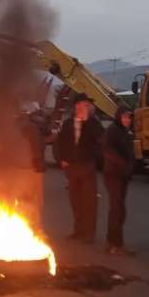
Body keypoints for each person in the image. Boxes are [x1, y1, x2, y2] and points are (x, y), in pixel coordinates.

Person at [53, 93, 105, 243]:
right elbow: (61, 141)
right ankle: (78, 230)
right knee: (75, 201)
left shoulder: (93, 123)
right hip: (72, 167)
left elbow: (101, 138)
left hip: (87, 166)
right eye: (84, 104)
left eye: (88, 105)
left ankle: (89, 234)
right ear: (77, 106)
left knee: (89, 202)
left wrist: (87, 121)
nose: (87, 107)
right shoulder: (68, 123)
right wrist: (62, 159)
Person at [102, 106, 137, 255]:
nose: (127, 120)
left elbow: (129, 152)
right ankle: (114, 244)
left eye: (129, 118)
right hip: (113, 175)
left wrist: (130, 166)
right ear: (118, 117)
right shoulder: (113, 131)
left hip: (122, 175)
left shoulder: (125, 132)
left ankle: (115, 242)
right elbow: (108, 150)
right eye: (124, 117)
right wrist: (123, 163)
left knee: (120, 210)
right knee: (117, 209)